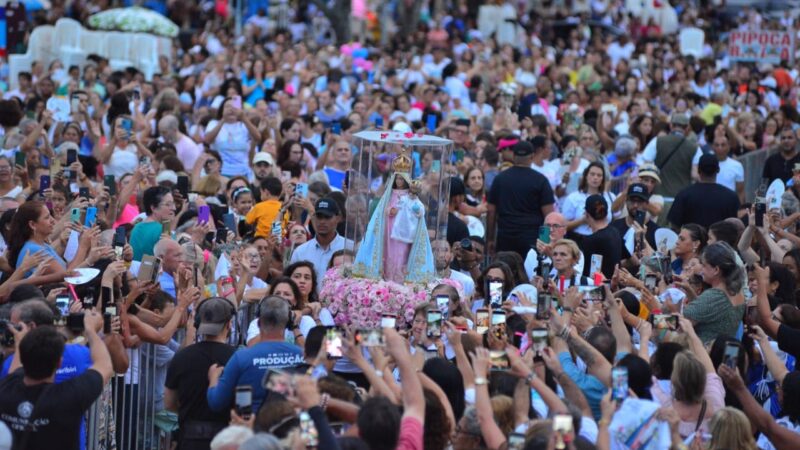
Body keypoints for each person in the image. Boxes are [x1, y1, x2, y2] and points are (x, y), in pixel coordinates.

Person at [0, 313, 113, 450]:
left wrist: (21, 343)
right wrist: (91, 331)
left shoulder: (7, 388)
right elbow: (104, 366)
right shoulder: (68, 396)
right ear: (59, 363)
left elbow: (16, 368)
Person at [206, 296, 303, 412]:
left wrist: (213, 379)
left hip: (251, 422)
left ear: (258, 323)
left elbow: (216, 402)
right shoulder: (302, 356)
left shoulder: (241, 357)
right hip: (292, 421)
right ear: (288, 323)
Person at [165, 297, 236, 450]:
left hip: (190, 438)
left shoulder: (182, 356)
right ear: (229, 324)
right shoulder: (238, 357)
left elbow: (169, 403)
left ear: (197, 324)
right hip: (227, 439)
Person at [487, 140, 555, 258]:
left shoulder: (500, 179)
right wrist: (545, 241)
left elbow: (491, 211)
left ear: (513, 156)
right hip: (532, 238)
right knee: (530, 269)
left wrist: (490, 239)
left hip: (505, 237)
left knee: (505, 268)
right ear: (532, 156)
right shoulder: (540, 180)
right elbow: (548, 216)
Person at [683, 242, 746, 343]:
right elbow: (706, 311)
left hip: (702, 350)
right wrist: (689, 290)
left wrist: (662, 308)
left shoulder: (714, 296)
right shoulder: (738, 292)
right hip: (723, 350)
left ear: (716, 270)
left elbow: (681, 325)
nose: (701, 269)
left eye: (704, 265)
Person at [290, 198, 350, 292]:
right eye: (319, 217)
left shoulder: (349, 247)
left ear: (338, 218)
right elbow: (292, 283)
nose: (322, 221)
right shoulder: (300, 252)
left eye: (327, 217)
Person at [668, 154, 740, 229]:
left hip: (692, 236)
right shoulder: (731, 197)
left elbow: (674, 225)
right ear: (718, 170)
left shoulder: (684, 195)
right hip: (721, 236)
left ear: (698, 170)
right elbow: (737, 225)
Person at [641, 113, 701, 199]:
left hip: (658, 196)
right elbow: (694, 175)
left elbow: (646, 166)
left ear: (671, 125)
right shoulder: (695, 148)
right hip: (682, 197)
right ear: (687, 128)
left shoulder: (657, 141)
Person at [609, 183, 659, 261]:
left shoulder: (656, 232)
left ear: (646, 203)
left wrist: (643, 240)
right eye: (632, 201)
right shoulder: (614, 228)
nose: (635, 205)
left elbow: (659, 263)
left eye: (640, 201)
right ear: (626, 201)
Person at [692, 134, 745, 203]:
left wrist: (740, 208)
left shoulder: (737, 166)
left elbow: (740, 192)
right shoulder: (705, 163)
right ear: (712, 147)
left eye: (723, 145)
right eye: (717, 145)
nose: (720, 148)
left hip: (728, 204)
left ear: (728, 147)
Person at [579, 195, 621, 279]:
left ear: (586, 214)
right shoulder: (615, 232)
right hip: (616, 283)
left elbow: (590, 275)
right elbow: (628, 258)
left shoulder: (590, 241)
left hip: (599, 285)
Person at [130, 186, 175, 260]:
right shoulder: (164, 231)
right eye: (168, 204)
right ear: (153, 208)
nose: (173, 208)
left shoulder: (136, 227)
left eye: (173, 204)